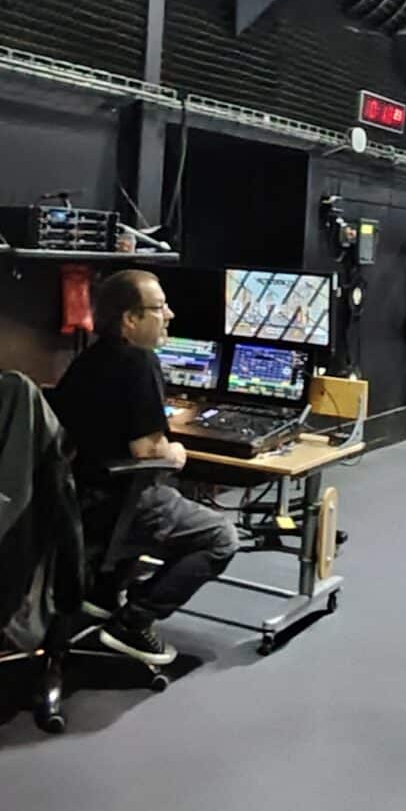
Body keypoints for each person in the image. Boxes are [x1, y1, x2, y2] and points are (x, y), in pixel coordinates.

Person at [49, 269, 240, 666]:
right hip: (119, 503)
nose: (169, 314)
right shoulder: (139, 362)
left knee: (170, 500)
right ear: (130, 320)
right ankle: (134, 622)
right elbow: (147, 450)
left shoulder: (89, 359)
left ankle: (101, 595)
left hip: (76, 501)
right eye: (159, 307)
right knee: (221, 536)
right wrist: (176, 452)